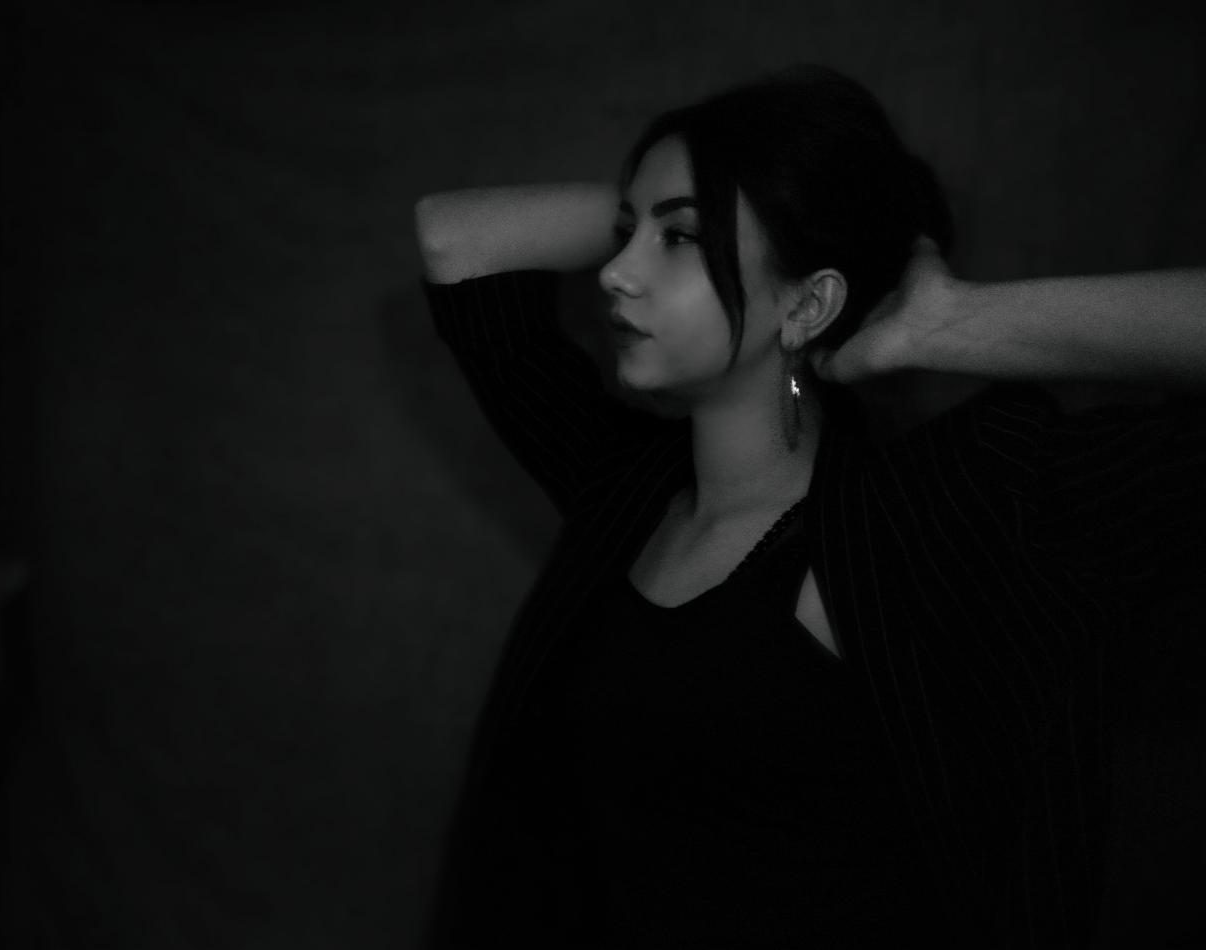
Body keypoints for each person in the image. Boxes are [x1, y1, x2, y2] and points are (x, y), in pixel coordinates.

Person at [413, 64, 1206, 949]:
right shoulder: (624, 489)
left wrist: (949, 320)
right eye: (625, 234)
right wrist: (705, 201)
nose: (615, 272)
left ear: (811, 301)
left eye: (680, 239)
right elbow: (456, 240)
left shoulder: (930, 515)